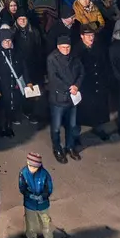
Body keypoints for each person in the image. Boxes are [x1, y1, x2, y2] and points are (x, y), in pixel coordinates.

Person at [45, 34, 84, 163]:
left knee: (72, 125)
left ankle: (70, 147)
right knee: (56, 127)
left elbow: (81, 72)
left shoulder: (74, 57)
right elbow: (54, 79)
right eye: (63, 47)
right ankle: (57, 148)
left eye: (68, 47)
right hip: (58, 99)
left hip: (72, 98)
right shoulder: (52, 59)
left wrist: (76, 86)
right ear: (58, 47)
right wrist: (70, 87)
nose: (66, 50)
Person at [18, 151, 57, 238]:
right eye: (30, 165)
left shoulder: (45, 174)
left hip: (43, 205)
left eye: (34, 167)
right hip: (29, 205)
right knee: (30, 225)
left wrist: (43, 196)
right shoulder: (23, 173)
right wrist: (29, 195)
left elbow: (48, 188)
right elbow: (22, 187)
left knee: (47, 226)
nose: (31, 169)